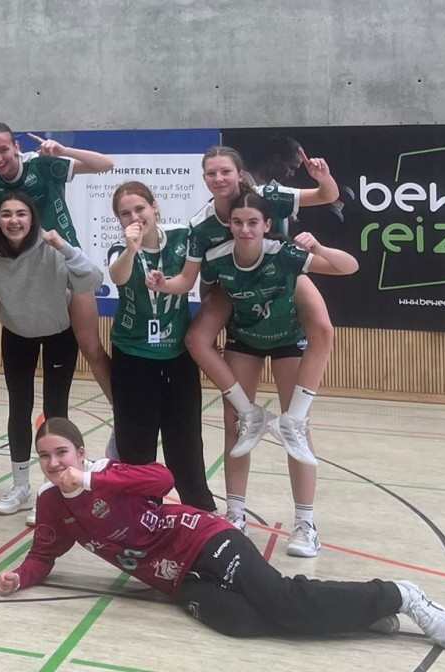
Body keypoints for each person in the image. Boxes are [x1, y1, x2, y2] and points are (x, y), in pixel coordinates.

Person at [0, 418, 445, 650]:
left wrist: (92, 478)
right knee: (243, 623)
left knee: (280, 601)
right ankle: (355, 614)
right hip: (179, 580)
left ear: (80, 452)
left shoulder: (106, 473)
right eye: (45, 456)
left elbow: (162, 479)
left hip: (204, 538)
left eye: (62, 453)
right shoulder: (50, 504)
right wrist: (21, 576)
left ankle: (399, 595)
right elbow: (44, 554)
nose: (54, 464)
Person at [149, 147, 342, 543]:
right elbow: (196, 283)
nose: (219, 179)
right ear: (204, 178)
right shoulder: (201, 226)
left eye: (225, 172)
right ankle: (235, 511)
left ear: (239, 174)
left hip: (279, 277)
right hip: (232, 288)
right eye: (211, 173)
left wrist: (322, 176)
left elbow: (326, 196)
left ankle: (305, 520)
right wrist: (173, 289)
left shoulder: (268, 197)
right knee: (216, 381)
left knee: (322, 328)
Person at [193, 192, 357, 556]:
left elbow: (349, 267)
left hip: (288, 340)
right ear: (229, 225)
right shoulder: (218, 259)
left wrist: (319, 247)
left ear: (267, 225)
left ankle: (305, 524)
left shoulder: (284, 255)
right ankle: (236, 515)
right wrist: (212, 329)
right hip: (244, 339)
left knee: (297, 429)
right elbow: (210, 293)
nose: (245, 229)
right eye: (238, 223)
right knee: (237, 424)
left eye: (253, 223)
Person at [0, 124, 115, 436]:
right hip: (15, 268)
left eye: (3, 150)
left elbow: (105, 164)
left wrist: (63, 150)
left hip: (61, 263)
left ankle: (123, 415)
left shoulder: (42, 165)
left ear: (16, 147)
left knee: (91, 348)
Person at [0, 193, 101, 523]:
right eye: (6, 214)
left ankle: (55, 490)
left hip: (58, 335)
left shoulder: (52, 248)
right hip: (16, 334)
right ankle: (20, 486)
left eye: (21, 214)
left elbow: (93, 278)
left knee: (55, 412)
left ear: (32, 218)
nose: (14, 220)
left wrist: (65, 247)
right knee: (19, 408)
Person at [106, 182, 215, 512]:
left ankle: (200, 510)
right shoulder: (120, 249)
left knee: (185, 438)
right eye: (125, 214)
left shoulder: (182, 237)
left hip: (177, 354)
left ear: (154, 207)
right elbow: (118, 277)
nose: (134, 217)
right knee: (136, 442)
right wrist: (131, 249)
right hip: (133, 355)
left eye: (140, 209)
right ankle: (140, 510)